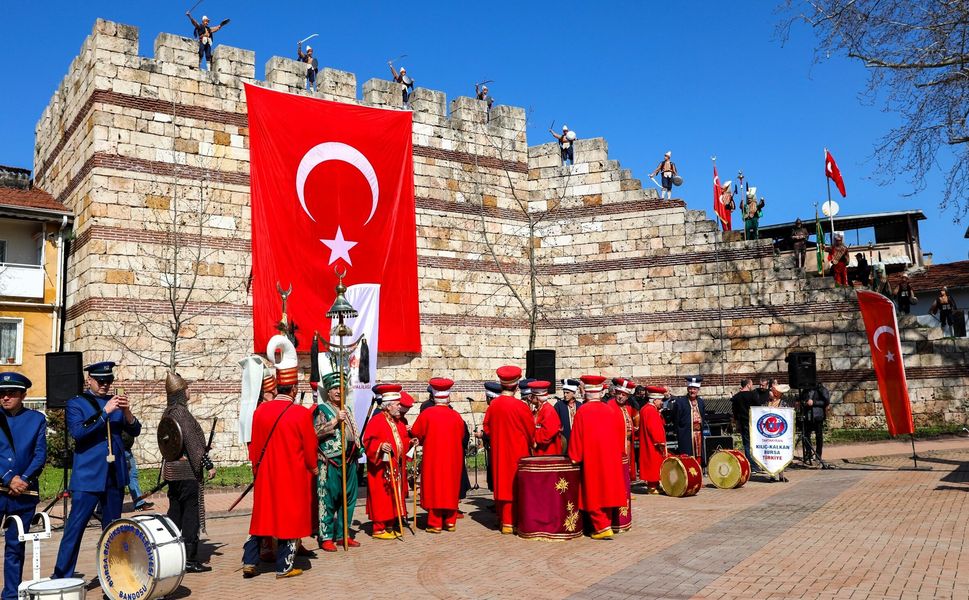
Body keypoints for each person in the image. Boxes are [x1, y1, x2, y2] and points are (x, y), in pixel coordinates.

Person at [53, 361, 142, 579]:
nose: (104, 385)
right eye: (100, 381)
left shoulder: (116, 402)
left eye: (108, 381)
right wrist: (105, 412)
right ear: (89, 380)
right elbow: (79, 433)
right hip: (88, 475)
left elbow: (135, 430)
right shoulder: (77, 403)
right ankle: (61, 576)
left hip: (114, 474)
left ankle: (114, 576)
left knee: (113, 529)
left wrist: (126, 411)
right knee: (75, 527)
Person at [242, 338, 318, 579]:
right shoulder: (301, 414)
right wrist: (313, 467)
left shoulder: (260, 411)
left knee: (261, 517)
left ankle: (250, 561)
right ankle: (284, 566)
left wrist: (256, 470)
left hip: (266, 474)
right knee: (289, 519)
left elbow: (254, 446)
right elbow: (310, 447)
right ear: (293, 389)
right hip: (292, 476)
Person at [161, 372, 215, 573]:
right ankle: (190, 559)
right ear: (181, 392)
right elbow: (192, 444)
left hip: (173, 471)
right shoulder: (181, 413)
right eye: (187, 388)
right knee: (190, 514)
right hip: (186, 472)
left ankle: (170, 553)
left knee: (175, 512)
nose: (189, 391)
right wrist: (208, 464)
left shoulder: (167, 412)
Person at [0, 372, 46, 600]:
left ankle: (10, 594)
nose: (5, 397)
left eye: (11, 393)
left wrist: (24, 478)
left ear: (23, 395)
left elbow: (40, 454)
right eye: (2, 394)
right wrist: (8, 478)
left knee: (15, 546)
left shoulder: (36, 419)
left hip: (24, 493)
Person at [568, 375, 626, 540]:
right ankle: (607, 523)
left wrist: (574, 456)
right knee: (608, 490)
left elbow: (576, 437)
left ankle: (602, 527)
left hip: (592, 459)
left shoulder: (582, 411)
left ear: (586, 393)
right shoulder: (610, 409)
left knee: (593, 492)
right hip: (610, 457)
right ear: (600, 392)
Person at [481, 366, 535, 534]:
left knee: (501, 483)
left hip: (499, 451)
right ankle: (514, 521)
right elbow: (530, 430)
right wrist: (532, 443)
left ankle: (504, 521)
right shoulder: (521, 406)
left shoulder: (493, 405)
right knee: (515, 486)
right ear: (516, 386)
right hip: (518, 452)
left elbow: (487, 428)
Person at [410, 380, 467, 533]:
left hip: (433, 458)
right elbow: (462, 435)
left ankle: (435, 523)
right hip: (453, 458)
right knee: (450, 487)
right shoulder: (456, 416)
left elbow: (416, 433)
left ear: (434, 397)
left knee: (434, 487)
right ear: (448, 397)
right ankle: (450, 521)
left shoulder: (427, 414)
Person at [313, 371, 361, 551]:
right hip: (330, 461)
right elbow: (315, 432)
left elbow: (353, 431)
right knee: (328, 499)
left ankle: (343, 534)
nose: (339, 392)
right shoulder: (322, 409)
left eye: (341, 388)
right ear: (328, 392)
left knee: (348, 499)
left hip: (349, 460)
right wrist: (334, 421)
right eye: (334, 388)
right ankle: (326, 536)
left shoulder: (347, 409)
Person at [363, 384, 413, 539]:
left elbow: (402, 440)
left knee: (393, 496)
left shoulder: (398, 422)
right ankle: (379, 528)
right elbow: (368, 442)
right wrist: (380, 446)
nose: (399, 407)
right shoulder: (377, 420)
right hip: (381, 468)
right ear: (389, 406)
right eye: (397, 404)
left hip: (395, 467)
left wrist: (411, 442)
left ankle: (390, 524)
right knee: (381, 497)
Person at [669, 376, 707, 463]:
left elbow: (703, 417)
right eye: (690, 388)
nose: (692, 391)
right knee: (687, 456)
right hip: (685, 434)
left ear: (698, 390)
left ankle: (698, 468)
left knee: (699, 454)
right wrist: (677, 431)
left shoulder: (700, 402)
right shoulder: (680, 402)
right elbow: (675, 418)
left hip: (698, 434)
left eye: (694, 389)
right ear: (687, 389)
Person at [637, 386, 667, 495]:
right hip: (652, 444)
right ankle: (652, 486)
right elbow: (655, 428)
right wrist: (660, 442)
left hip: (648, 441)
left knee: (652, 463)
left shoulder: (646, 409)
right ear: (655, 400)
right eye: (660, 400)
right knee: (653, 463)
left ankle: (655, 484)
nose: (662, 402)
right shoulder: (651, 410)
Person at [609, 378, 639, 481]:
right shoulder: (610, 406)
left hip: (628, 442)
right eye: (619, 394)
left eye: (623, 395)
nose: (620, 396)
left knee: (627, 465)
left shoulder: (628, 407)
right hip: (616, 444)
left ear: (627, 397)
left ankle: (626, 485)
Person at [730, 378, 762, 471]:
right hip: (754, 423)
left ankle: (752, 465)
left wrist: (737, 423)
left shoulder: (736, 397)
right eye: (751, 384)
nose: (752, 386)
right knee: (756, 444)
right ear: (748, 385)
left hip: (743, 423)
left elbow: (735, 412)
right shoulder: (753, 395)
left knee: (747, 444)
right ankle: (757, 465)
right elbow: (758, 408)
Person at [799, 382, 829, 466]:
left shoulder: (821, 389)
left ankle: (818, 455)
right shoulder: (805, 390)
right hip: (807, 416)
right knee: (806, 435)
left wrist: (814, 402)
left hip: (817, 416)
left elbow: (826, 402)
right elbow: (801, 399)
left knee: (819, 436)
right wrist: (803, 402)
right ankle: (808, 453)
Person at [122, 431, 153, 512]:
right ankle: (139, 503)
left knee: (111, 478)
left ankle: (101, 508)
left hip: (123, 448)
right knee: (131, 476)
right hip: (122, 449)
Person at [529, 381, 562, 456]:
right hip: (539, 452)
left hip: (547, 452)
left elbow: (547, 434)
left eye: (532, 396)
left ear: (537, 398)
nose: (530, 398)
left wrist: (533, 436)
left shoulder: (548, 410)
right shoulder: (537, 409)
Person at [554, 378, 582, 454]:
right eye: (564, 393)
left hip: (578, 439)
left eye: (567, 393)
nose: (565, 395)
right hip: (564, 440)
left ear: (573, 393)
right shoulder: (558, 406)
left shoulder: (580, 405)